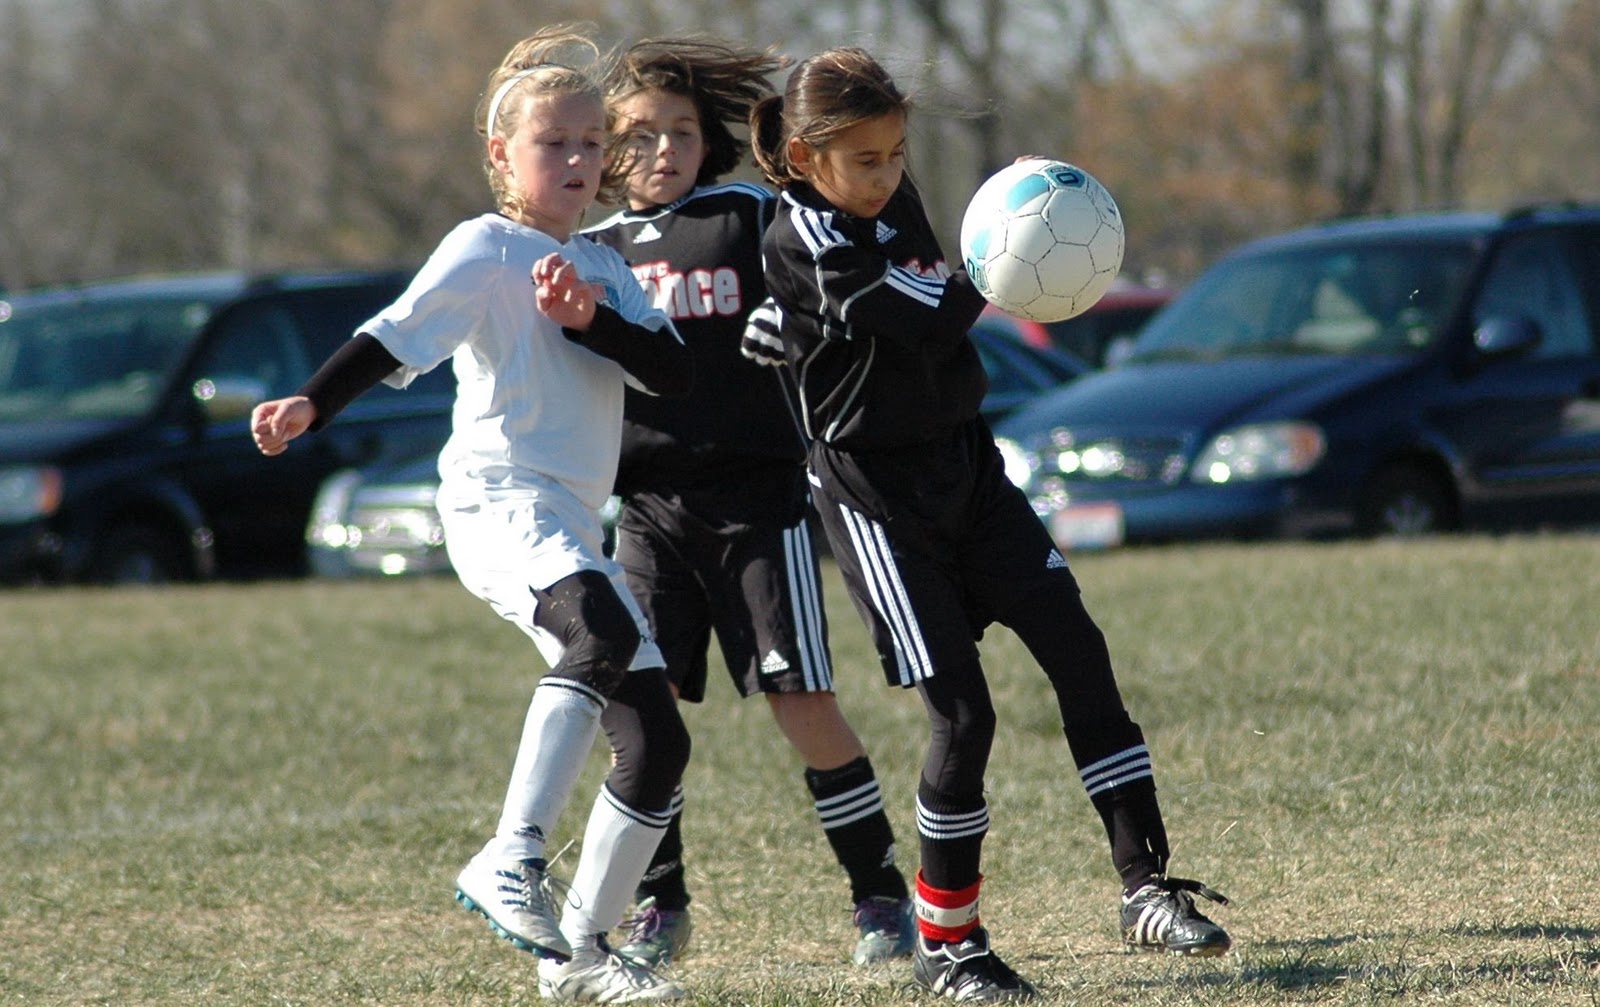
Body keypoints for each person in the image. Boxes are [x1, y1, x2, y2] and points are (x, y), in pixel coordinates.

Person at [748, 48, 1232, 1001]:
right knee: (964, 717)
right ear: (806, 160)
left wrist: (1004, 229)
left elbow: (945, 295)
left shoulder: (890, 197)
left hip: (971, 472)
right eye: (868, 162)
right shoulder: (801, 238)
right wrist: (1004, 253)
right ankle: (949, 945)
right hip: (877, 501)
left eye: (898, 155)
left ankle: (1146, 888)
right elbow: (928, 317)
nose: (890, 178)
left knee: (1081, 657)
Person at [249, 26, 697, 1003]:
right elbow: (388, 336)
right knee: (602, 630)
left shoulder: (609, 271)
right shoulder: (487, 248)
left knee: (658, 740)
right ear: (502, 154)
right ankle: (511, 855)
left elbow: (679, 375)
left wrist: (593, 320)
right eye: (554, 144)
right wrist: (312, 402)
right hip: (498, 502)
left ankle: (576, 958)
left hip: (572, 523)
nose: (577, 161)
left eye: (591, 144)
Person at [581, 36, 915, 968]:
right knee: (639, 713)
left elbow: (816, 268)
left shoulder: (742, 213)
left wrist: (796, 316)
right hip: (645, 512)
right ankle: (660, 902)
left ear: (709, 140)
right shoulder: (591, 250)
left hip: (757, 502)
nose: (663, 149)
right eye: (638, 135)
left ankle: (881, 898)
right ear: (604, 152)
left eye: (681, 130)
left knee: (801, 700)